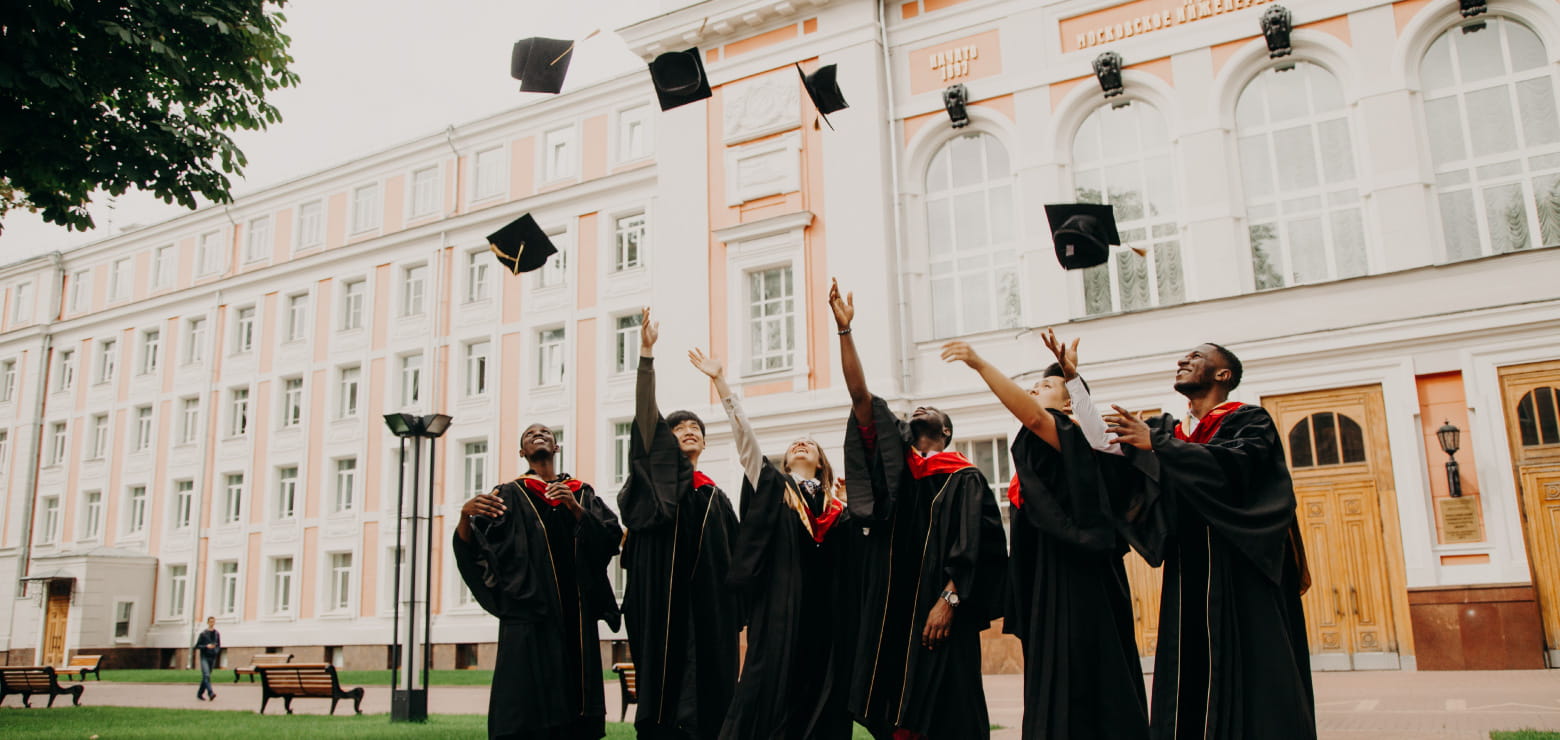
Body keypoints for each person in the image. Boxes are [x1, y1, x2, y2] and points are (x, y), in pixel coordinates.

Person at [941, 330, 1149, 740]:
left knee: (1086, 678)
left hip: (1080, 577)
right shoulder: (1060, 442)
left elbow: (1036, 416)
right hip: (1049, 577)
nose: (1035, 387)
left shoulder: (1066, 432)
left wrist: (980, 363)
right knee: (1056, 676)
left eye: (1046, 384)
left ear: (1069, 402)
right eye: (1036, 383)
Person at [1102, 343, 1314, 740]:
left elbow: (1235, 467)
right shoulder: (1169, 430)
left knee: (1254, 673)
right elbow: (1114, 452)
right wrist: (1075, 385)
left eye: (1196, 357)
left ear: (1223, 375)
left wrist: (1161, 446)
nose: (1183, 361)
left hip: (1240, 571)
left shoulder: (1249, 421)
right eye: (1183, 357)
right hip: (1190, 569)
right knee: (1188, 672)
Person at [830, 279, 1007, 740]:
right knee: (892, 710)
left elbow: (974, 549)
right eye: (917, 408)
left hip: (938, 609)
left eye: (934, 410)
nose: (921, 409)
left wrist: (948, 600)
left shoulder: (964, 477)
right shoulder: (900, 473)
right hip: (892, 610)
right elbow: (861, 399)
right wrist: (845, 332)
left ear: (946, 432)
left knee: (947, 711)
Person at [687, 347, 856, 740]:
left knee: (821, 691)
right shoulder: (775, 490)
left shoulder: (838, 507)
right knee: (770, 686)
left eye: (809, 445)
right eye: (794, 444)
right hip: (781, 606)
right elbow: (746, 441)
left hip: (826, 614)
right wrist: (720, 382)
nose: (801, 445)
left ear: (821, 463)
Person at [453, 423, 623, 740]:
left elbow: (609, 541)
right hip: (530, 616)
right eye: (530, 435)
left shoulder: (582, 493)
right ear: (522, 453)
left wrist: (574, 508)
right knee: (526, 714)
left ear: (556, 447)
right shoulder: (507, 496)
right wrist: (464, 517)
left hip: (576, 618)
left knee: (576, 714)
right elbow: (477, 549)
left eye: (545, 433)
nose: (538, 435)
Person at [619, 308, 740, 740]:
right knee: (665, 689)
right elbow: (646, 418)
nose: (689, 430)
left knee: (708, 691)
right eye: (679, 427)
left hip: (707, 611)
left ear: (705, 443)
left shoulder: (715, 498)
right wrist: (647, 355)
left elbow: (738, 557)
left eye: (696, 428)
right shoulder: (656, 483)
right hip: (659, 604)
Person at [194, 616, 220, 701]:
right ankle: (210, 693)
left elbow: (219, 645)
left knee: (206, 677)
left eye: (213, 621)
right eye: (210, 621)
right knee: (206, 675)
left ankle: (199, 694)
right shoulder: (203, 634)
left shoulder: (217, 633)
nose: (212, 623)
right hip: (204, 656)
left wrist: (216, 650)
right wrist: (206, 646)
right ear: (208, 622)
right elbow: (197, 646)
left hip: (212, 657)